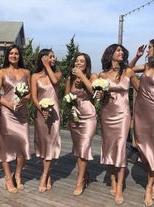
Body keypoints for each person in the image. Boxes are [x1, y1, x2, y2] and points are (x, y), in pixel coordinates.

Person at [99, 44, 139, 204]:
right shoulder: (102, 75)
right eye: (118, 51)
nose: (121, 53)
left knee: (121, 149)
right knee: (109, 149)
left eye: (123, 51)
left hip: (123, 114)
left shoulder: (128, 71)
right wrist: (98, 93)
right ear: (111, 54)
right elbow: (99, 98)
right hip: (107, 114)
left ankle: (120, 186)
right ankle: (113, 181)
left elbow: (142, 90)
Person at [0, 44, 31, 193]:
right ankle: (8, 178)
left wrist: (24, 100)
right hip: (7, 113)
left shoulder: (26, 72)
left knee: (23, 143)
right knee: (6, 145)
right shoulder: (1, 72)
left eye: (16, 54)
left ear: (20, 56)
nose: (14, 56)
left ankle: (18, 175)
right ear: (7, 56)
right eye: (11, 53)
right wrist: (9, 104)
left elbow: (30, 94)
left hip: (21, 112)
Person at [65, 53, 97, 196]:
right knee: (79, 149)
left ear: (86, 64)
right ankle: (85, 174)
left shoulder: (92, 76)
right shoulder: (70, 78)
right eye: (77, 61)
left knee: (84, 147)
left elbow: (94, 92)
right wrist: (70, 105)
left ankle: (79, 182)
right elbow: (66, 97)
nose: (78, 63)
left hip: (89, 115)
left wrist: (82, 77)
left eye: (82, 61)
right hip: (75, 116)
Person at [31, 49, 62, 193]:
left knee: (51, 144)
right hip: (40, 114)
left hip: (54, 114)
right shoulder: (35, 76)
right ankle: (48, 174)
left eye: (53, 56)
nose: (53, 58)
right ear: (43, 59)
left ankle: (44, 176)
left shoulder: (57, 73)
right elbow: (34, 97)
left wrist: (47, 65)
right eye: (50, 56)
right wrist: (41, 109)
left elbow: (55, 81)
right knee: (44, 145)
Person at [130, 39, 154, 206]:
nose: (147, 50)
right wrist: (137, 56)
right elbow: (129, 70)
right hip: (141, 111)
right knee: (143, 148)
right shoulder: (146, 67)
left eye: (150, 48)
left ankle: (149, 187)